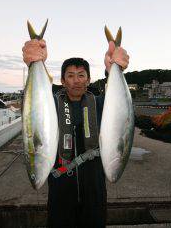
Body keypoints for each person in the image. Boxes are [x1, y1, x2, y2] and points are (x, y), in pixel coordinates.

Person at [22, 39, 129, 227]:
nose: (76, 80)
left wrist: (113, 69)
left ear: (88, 79)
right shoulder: (51, 105)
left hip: (94, 188)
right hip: (61, 190)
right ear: (62, 81)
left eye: (81, 75)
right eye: (70, 76)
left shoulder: (101, 104)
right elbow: (34, 106)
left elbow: (119, 106)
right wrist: (35, 63)